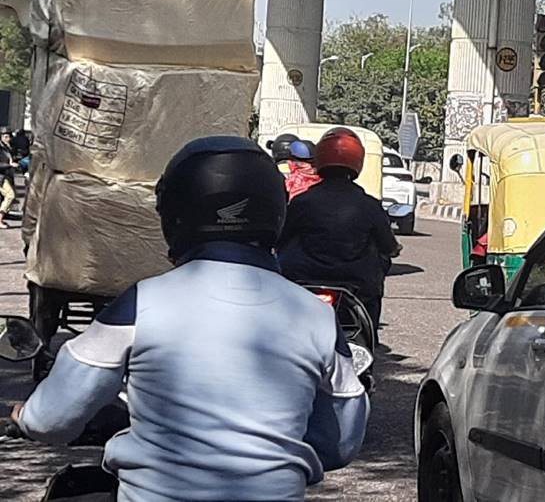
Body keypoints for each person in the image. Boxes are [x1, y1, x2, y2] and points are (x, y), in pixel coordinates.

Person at [7, 136, 368, 499]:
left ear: (175, 215)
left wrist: (25, 416)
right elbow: (340, 444)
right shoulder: (316, 315)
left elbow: (52, 419)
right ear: (276, 212)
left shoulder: (140, 304)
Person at [278, 128, 400, 328]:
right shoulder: (369, 205)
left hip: (302, 278)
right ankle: (370, 336)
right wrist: (393, 250)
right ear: (357, 162)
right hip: (357, 283)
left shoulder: (301, 202)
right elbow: (387, 245)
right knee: (376, 283)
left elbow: (282, 238)